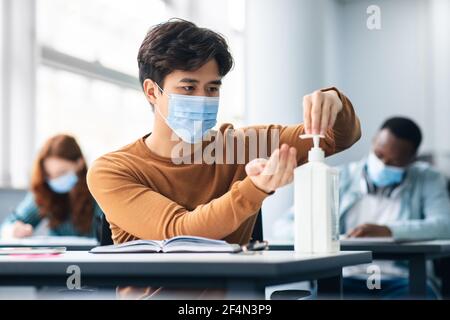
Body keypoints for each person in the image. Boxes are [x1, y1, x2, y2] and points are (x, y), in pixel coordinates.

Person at [86, 19, 361, 299]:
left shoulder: (241, 145)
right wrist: (255, 188)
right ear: (152, 91)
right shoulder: (112, 170)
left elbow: (334, 138)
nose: (203, 98)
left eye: (212, 88)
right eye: (189, 88)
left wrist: (334, 102)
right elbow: (180, 232)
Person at [274, 117, 450, 299]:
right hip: (344, 279)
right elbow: (282, 227)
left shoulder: (429, 179)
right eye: (379, 155)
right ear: (373, 142)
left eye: (394, 162)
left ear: (411, 159)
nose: (383, 165)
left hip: (403, 281)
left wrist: (389, 231)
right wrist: (324, 236)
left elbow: (444, 225)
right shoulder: (337, 177)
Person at [1, 134, 103, 239]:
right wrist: (13, 230)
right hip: (56, 255)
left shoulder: (100, 192)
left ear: (79, 163)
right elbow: (7, 226)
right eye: (49, 175)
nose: (55, 180)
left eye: (62, 173)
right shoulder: (44, 192)